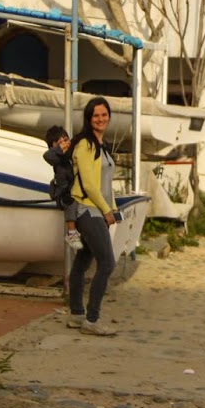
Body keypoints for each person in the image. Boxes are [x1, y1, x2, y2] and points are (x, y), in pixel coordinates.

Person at [66, 97, 121, 336]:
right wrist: (106, 211)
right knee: (107, 263)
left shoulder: (102, 145)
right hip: (87, 209)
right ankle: (92, 319)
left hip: (99, 209)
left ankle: (77, 314)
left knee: (82, 262)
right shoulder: (85, 145)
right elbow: (89, 184)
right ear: (89, 119)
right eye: (96, 115)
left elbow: (106, 184)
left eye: (104, 114)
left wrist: (114, 208)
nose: (101, 119)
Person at [42, 125, 83, 249]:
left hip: (75, 191)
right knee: (71, 201)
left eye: (65, 140)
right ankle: (71, 233)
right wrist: (59, 149)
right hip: (63, 195)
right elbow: (47, 156)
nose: (64, 144)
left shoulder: (72, 155)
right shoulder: (57, 159)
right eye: (59, 143)